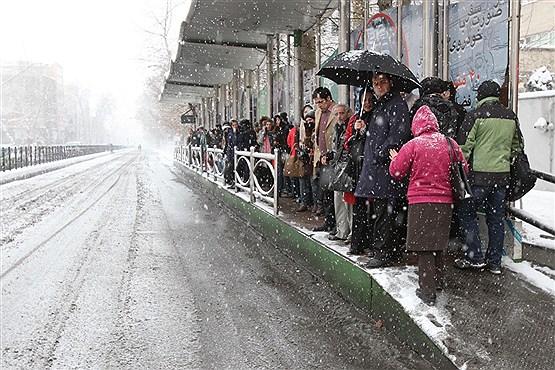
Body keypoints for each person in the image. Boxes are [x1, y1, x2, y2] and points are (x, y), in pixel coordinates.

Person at [390, 105, 468, 305]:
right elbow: (464, 169)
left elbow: (397, 172)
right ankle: (438, 281)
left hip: (421, 202)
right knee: (438, 244)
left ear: (416, 126)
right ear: (435, 124)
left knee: (424, 247)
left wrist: (394, 159)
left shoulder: (413, 145)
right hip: (445, 202)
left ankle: (427, 291)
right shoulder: (450, 143)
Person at [454, 80, 521, 275]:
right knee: (496, 219)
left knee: (467, 214)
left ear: (480, 96)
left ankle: (474, 257)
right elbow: (517, 146)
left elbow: (463, 148)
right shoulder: (511, 116)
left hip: (478, 178)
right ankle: (494, 262)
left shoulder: (475, 115)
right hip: (501, 178)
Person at [355, 73, 412, 268]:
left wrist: (381, 153)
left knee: (385, 212)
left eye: (382, 82)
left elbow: (400, 133)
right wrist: (363, 128)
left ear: (391, 83)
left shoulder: (395, 104)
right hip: (379, 169)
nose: (378, 86)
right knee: (384, 211)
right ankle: (387, 251)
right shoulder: (382, 104)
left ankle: (383, 252)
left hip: (386, 169)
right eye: (375, 83)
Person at [344, 87, 373, 254]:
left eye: (370, 99)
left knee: (372, 209)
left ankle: (369, 242)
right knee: (359, 209)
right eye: (364, 100)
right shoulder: (356, 118)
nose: (367, 103)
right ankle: (357, 243)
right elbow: (347, 144)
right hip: (357, 169)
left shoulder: (376, 116)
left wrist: (365, 131)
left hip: (370, 169)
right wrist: (357, 132)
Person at [325, 103, 353, 241]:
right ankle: (341, 231)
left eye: (341, 113)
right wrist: (329, 155)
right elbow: (336, 148)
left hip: (347, 168)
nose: (339, 117)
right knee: (338, 200)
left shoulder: (351, 126)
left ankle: (351, 232)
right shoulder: (337, 128)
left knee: (348, 201)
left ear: (347, 113)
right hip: (337, 167)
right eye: (336, 114)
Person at [312, 87, 337, 233]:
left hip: (333, 159)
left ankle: (334, 224)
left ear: (328, 98)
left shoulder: (337, 112)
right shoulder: (318, 113)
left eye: (321, 102)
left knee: (332, 193)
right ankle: (328, 222)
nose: (319, 105)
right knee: (325, 193)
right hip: (321, 158)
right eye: (317, 102)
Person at [297, 109, 316, 212]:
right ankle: (304, 202)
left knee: (314, 183)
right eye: (307, 120)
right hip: (304, 158)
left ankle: (316, 204)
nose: (309, 122)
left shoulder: (316, 129)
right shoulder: (302, 128)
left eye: (311, 120)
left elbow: (313, 142)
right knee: (303, 181)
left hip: (313, 159)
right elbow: (304, 142)